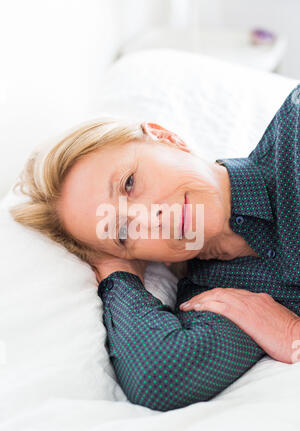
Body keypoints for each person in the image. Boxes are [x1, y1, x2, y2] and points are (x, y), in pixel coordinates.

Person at [11, 85, 300, 411]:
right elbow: (157, 379)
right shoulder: (218, 297)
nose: (152, 218)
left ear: (167, 138)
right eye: (122, 231)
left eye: (129, 183)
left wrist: (292, 331)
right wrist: (116, 271)